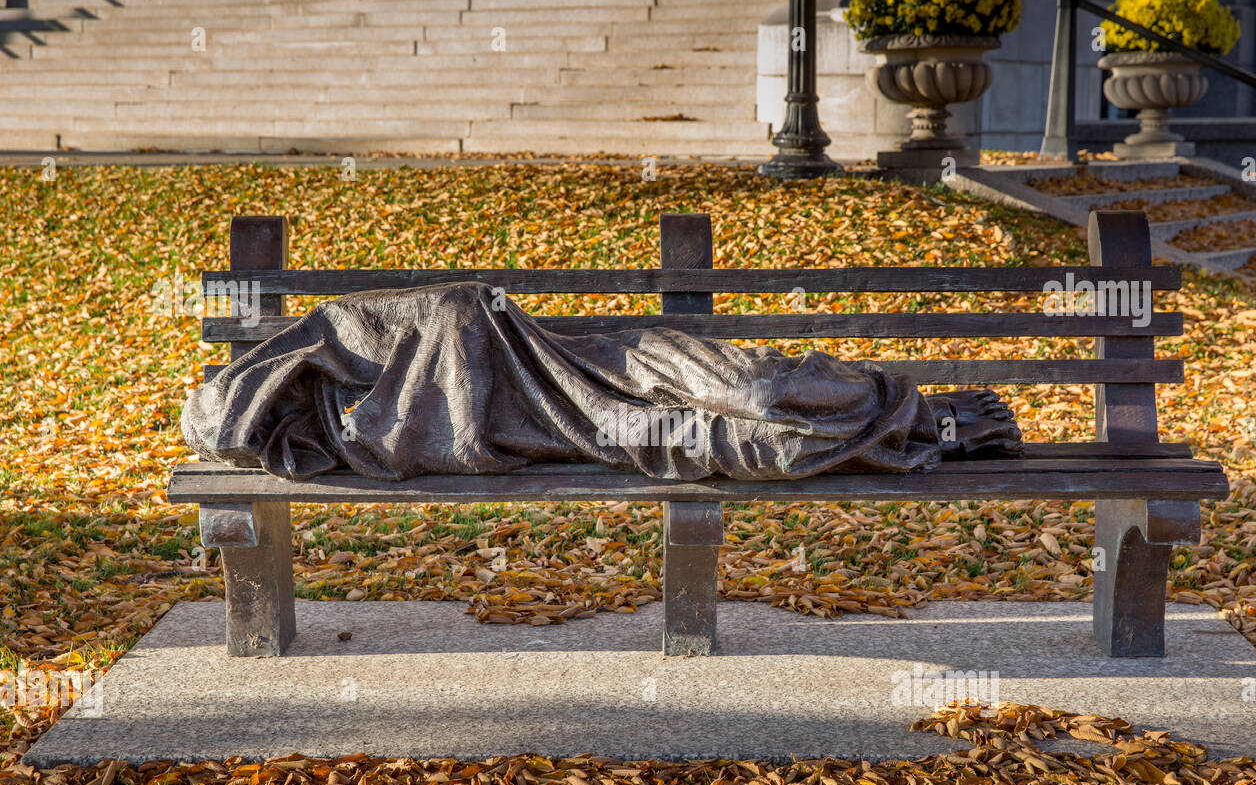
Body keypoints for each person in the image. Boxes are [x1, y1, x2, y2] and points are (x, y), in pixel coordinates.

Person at [183, 282, 1022, 482]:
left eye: (253, 404)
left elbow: (467, 308)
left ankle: (905, 404)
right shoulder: (363, 435)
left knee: (763, 392)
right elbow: (461, 441)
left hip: (607, 363)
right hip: (584, 423)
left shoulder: (355, 331)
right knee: (748, 442)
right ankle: (946, 426)